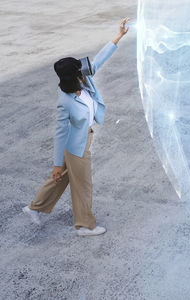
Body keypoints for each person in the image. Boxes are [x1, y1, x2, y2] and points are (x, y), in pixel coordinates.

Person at [22, 17, 130, 236]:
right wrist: (55, 163)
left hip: (82, 138)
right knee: (82, 186)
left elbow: (99, 60)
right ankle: (84, 225)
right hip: (76, 145)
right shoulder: (66, 101)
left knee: (62, 178)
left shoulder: (83, 79)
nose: (83, 67)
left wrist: (118, 35)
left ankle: (35, 207)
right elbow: (60, 134)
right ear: (74, 77)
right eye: (78, 68)